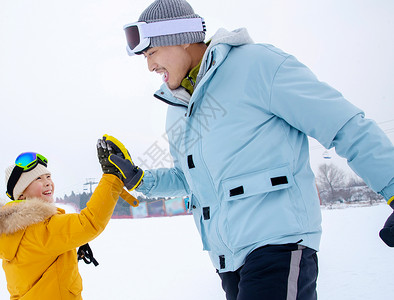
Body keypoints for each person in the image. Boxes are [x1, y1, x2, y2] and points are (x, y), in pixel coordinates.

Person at [118, 0, 394, 299]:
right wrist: (138, 178)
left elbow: (344, 125)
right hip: (228, 260)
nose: (149, 66)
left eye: (152, 52)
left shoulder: (258, 65)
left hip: (278, 244)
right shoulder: (179, 107)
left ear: (182, 37)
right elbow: (189, 178)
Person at [0, 147, 139, 299]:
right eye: (38, 179)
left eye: (48, 176)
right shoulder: (38, 228)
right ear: (21, 193)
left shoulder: (14, 231)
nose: (47, 182)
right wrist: (112, 177)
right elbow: (88, 223)